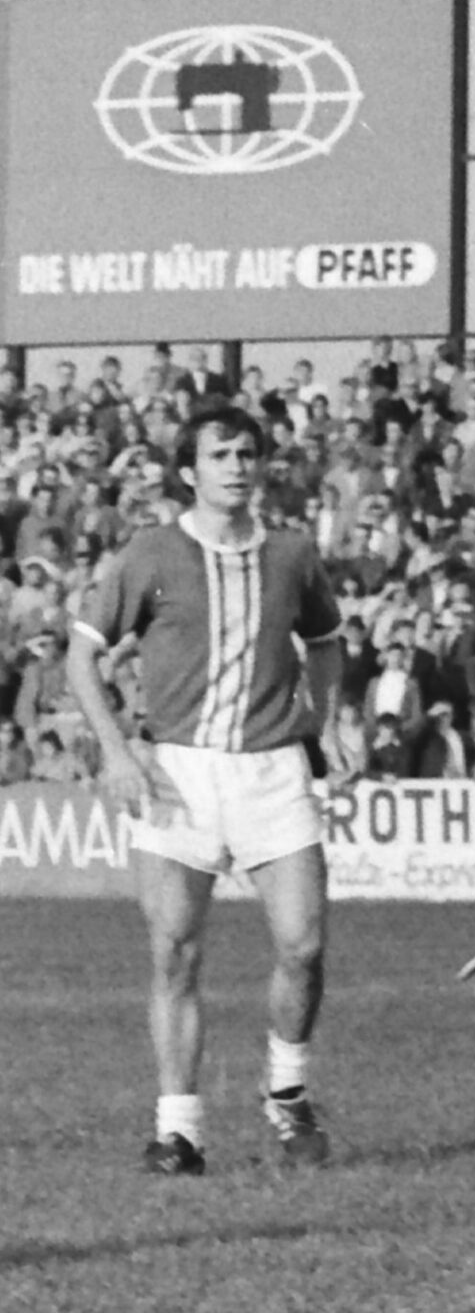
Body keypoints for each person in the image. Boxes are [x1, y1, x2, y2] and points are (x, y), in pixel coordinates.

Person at [64, 409, 345, 1176]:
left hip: (273, 768)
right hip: (178, 774)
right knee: (176, 953)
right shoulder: (152, 552)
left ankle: (286, 1091)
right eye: (219, 453)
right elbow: (81, 660)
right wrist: (118, 752)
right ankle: (178, 1130)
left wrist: (329, 720)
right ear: (190, 469)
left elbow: (325, 640)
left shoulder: (290, 553)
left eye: (248, 452)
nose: (237, 464)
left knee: (304, 941)